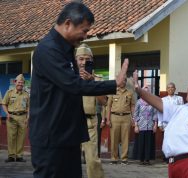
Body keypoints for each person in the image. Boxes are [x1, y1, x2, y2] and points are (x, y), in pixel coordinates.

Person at [29, 2, 128, 178]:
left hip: (68, 136)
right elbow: (74, 85)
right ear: (68, 24)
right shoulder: (48, 50)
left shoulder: (66, 50)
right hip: (51, 139)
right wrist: (114, 83)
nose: (85, 36)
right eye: (84, 30)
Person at [75, 43, 106, 178]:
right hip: (71, 122)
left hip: (90, 123)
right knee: (68, 160)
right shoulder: (68, 78)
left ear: (91, 61)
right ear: (75, 60)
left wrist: (92, 82)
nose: (83, 62)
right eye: (81, 58)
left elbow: (104, 101)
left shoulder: (97, 79)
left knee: (92, 160)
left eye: (87, 59)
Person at [106, 78, 135, 165]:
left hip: (126, 118)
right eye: (121, 80)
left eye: (124, 81)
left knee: (125, 139)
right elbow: (108, 106)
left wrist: (133, 118)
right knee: (114, 138)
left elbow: (132, 106)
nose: (122, 82)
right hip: (114, 117)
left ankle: (124, 159)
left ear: (125, 82)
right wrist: (108, 119)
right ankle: (114, 158)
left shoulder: (130, 93)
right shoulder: (113, 91)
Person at [2, 74, 29, 163]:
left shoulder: (26, 94)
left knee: (21, 137)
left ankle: (19, 156)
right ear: (15, 82)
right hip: (11, 117)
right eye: (19, 82)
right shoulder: (9, 92)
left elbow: (29, 106)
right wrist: (7, 113)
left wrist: (28, 117)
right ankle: (11, 156)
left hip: (22, 117)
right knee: (11, 137)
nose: (20, 84)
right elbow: (4, 104)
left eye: (22, 83)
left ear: (24, 84)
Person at [133, 85, 157, 165]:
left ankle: (147, 159)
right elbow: (135, 114)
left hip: (150, 124)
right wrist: (136, 125)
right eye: (144, 91)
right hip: (141, 125)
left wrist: (155, 124)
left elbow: (155, 114)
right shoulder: (139, 102)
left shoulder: (152, 101)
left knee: (148, 142)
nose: (146, 92)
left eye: (147, 91)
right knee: (141, 142)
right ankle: (141, 159)